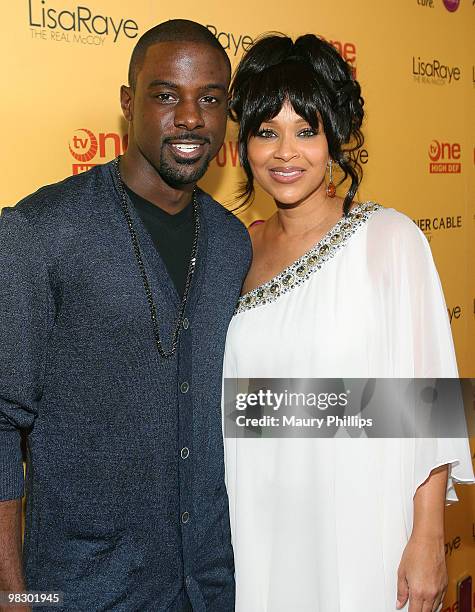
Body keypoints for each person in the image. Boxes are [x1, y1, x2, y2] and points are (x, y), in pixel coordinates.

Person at [0, 19, 251, 612]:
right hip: (80, 590)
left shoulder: (233, 242)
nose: (191, 118)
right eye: (167, 96)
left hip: (211, 586)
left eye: (210, 99)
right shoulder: (41, 231)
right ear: (127, 103)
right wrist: (13, 591)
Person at [222, 34, 475, 612]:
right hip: (258, 522)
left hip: (361, 524)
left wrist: (429, 537)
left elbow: (428, 401)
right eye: (267, 132)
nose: (286, 153)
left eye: (306, 131)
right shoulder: (237, 249)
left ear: (335, 137)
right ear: (244, 144)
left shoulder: (389, 239)